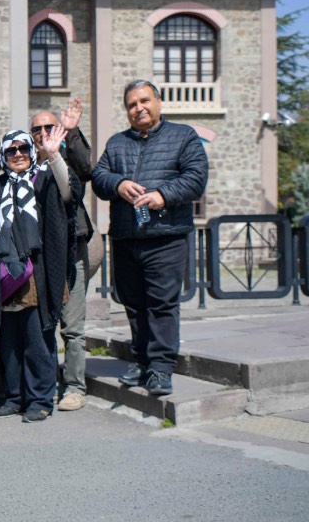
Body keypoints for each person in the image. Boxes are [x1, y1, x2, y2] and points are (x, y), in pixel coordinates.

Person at [92, 79, 208, 396]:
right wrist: (118, 184)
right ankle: (141, 362)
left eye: (144, 101)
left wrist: (163, 195)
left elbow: (196, 178)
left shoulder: (183, 136)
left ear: (158, 101)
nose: (138, 108)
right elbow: (98, 178)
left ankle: (160, 368)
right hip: (126, 237)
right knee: (133, 303)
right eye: (132, 104)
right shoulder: (116, 143)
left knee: (161, 304)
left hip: (165, 236)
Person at [0, 128, 79, 423]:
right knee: (9, 340)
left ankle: (40, 398)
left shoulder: (45, 178)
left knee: (37, 338)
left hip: (38, 273)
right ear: (4, 156)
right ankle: (14, 396)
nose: (19, 155)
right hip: (5, 273)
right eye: (11, 151)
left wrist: (54, 154)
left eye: (24, 149)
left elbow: (69, 191)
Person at [31, 99, 94, 411]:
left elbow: (84, 171)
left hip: (71, 251)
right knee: (44, 324)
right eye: (37, 129)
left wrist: (71, 132)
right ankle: (47, 384)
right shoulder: (24, 165)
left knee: (71, 326)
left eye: (48, 126)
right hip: (40, 257)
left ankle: (74, 386)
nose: (43, 133)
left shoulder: (67, 156)